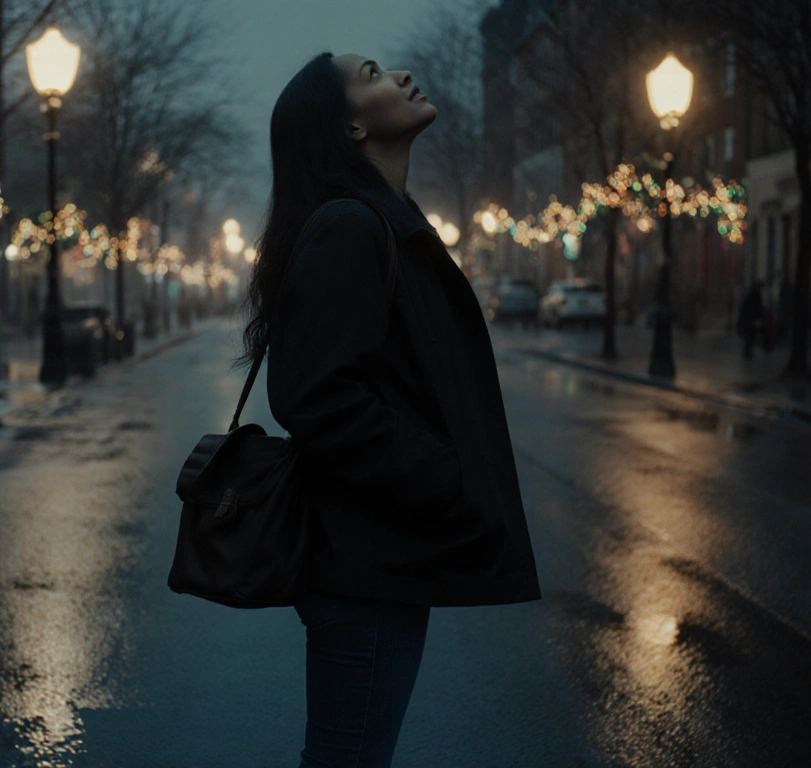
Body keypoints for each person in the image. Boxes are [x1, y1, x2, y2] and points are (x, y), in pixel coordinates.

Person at [238, 52, 542, 767]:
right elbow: (315, 394)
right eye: (372, 74)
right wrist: (441, 475)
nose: (400, 77)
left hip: (377, 558)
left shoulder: (377, 219)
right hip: (364, 566)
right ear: (348, 125)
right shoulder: (350, 226)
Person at [738, 281, 764, 359]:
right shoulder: (754, 296)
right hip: (751, 320)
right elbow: (755, 308)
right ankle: (747, 352)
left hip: (750, 319)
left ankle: (748, 351)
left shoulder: (751, 296)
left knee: (750, 337)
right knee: (750, 336)